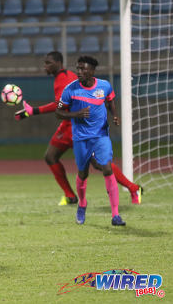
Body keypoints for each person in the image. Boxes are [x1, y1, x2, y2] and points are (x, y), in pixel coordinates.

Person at [15, 51, 142, 206]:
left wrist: (33, 111)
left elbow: (58, 105)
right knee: (51, 156)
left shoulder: (64, 79)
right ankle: (70, 196)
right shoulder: (64, 77)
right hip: (68, 125)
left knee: (99, 163)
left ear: (58, 63)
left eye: (48, 63)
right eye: (45, 63)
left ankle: (133, 188)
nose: (45, 66)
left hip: (79, 127)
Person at [55, 55, 126, 226]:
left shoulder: (104, 86)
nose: (78, 72)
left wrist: (115, 115)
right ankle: (82, 203)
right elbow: (58, 112)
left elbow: (110, 101)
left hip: (101, 135)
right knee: (83, 173)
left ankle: (115, 215)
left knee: (107, 168)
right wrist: (75, 114)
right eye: (78, 68)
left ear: (92, 71)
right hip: (80, 138)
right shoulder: (70, 89)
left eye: (82, 69)